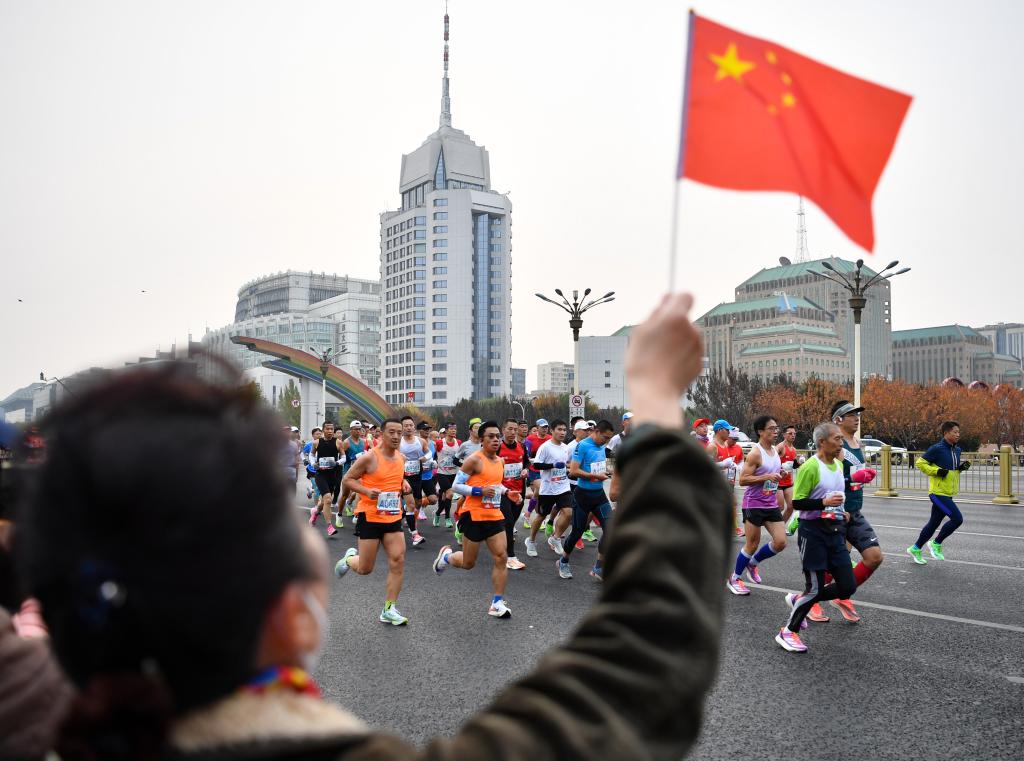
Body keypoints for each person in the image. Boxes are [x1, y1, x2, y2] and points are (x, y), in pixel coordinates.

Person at [14, 292, 733, 760]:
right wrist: (658, 412)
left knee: (404, 557)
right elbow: (637, 674)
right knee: (384, 558)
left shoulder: (42, 721)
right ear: (292, 617)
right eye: (274, 510)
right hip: (408, 519)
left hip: (420, 520)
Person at [776, 422, 857, 653]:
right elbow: (798, 503)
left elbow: (836, 496)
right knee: (814, 588)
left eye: (841, 438)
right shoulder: (811, 467)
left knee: (847, 586)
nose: (841, 442)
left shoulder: (840, 465)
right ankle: (788, 631)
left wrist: (843, 512)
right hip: (813, 533)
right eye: (838, 438)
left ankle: (800, 599)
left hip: (835, 531)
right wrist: (823, 503)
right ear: (823, 442)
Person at [432, 421, 519, 618]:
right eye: (491, 436)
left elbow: (494, 485)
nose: (496, 439)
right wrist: (478, 491)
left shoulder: (500, 461)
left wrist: (507, 492)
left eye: (498, 436)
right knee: (468, 563)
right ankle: (446, 557)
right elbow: (456, 486)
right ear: (481, 440)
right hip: (473, 515)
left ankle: (497, 603)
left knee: (501, 557)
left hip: (494, 514)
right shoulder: (474, 460)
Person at [336, 419, 413, 625]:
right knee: (365, 568)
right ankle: (348, 560)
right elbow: (348, 479)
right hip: (369, 516)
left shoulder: (401, 458)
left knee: (398, 560)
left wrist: (403, 483)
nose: (396, 436)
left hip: (393, 516)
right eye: (392, 432)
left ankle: (389, 609)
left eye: (399, 433)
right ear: (382, 434)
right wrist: (366, 491)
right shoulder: (369, 458)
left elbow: (396, 478)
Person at [820, 401, 881, 624]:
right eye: (851, 415)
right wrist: (852, 479)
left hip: (854, 508)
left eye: (857, 415)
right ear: (838, 420)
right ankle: (813, 599)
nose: (856, 418)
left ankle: (839, 595)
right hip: (836, 511)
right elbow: (825, 480)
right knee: (835, 561)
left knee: (854, 559)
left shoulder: (857, 443)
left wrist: (864, 474)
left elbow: (855, 473)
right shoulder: (835, 446)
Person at [727, 415, 787, 595]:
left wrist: (780, 473)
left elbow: (772, 472)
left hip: (770, 503)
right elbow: (744, 480)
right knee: (752, 544)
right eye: (771, 428)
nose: (775, 431)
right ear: (760, 431)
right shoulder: (755, 453)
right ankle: (735, 578)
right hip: (753, 503)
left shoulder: (775, 451)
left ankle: (753, 564)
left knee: (781, 542)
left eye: (776, 428)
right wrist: (766, 477)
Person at [908, 420, 969, 564]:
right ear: (946, 433)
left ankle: (915, 548)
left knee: (933, 524)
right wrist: (936, 471)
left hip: (948, 492)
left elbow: (950, 471)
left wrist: (960, 468)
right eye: (955, 432)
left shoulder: (957, 450)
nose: (958, 434)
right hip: (937, 493)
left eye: (958, 432)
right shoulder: (937, 448)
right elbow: (920, 463)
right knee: (957, 519)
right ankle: (936, 543)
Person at [562, 420, 616, 580]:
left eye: (608, 439)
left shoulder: (601, 446)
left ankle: (598, 567)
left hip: (599, 495)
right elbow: (573, 471)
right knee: (577, 532)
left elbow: (596, 466)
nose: (606, 441)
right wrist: (594, 476)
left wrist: (606, 471)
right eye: (605, 437)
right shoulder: (583, 445)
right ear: (597, 431)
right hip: (582, 495)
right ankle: (564, 560)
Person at [526, 419, 573, 559]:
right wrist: (553, 465)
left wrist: (568, 468)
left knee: (569, 513)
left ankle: (556, 538)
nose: (562, 432)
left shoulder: (566, 447)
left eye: (564, 430)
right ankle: (531, 541)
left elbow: (567, 464)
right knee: (541, 515)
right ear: (552, 431)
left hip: (563, 486)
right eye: (559, 429)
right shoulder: (545, 447)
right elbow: (537, 465)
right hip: (548, 488)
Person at [496, 419, 531, 570]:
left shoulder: (522, 447)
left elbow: (527, 463)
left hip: (519, 490)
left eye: (515, 430)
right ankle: (510, 556)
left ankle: (497, 536)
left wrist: (526, 470)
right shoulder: (497, 447)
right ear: (503, 430)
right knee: (509, 522)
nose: (512, 432)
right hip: (503, 491)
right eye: (509, 429)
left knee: (508, 522)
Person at [398, 416, 429, 547]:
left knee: (417, 502)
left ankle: (403, 514)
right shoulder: (398, 442)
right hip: (403, 476)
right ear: (402, 427)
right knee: (411, 504)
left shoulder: (420, 441)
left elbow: (428, 453)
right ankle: (414, 534)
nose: (409, 427)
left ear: (414, 427)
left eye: (411, 425)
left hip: (417, 474)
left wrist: (424, 458)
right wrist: (400, 457)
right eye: (406, 425)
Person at [309, 421, 344, 537]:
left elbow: (343, 457)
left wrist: (337, 462)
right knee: (328, 499)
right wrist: (314, 463)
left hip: (332, 475)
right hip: (320, 474)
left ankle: (315, 511)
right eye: (327, 429)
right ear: (323, 430)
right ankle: (329, 526)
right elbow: (311, 455)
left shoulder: (338, 442)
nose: (330, 431)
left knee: (323, 502)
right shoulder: (316, 442)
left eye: (331, 429)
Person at [338, 420, 368, 524]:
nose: (358, 431)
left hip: (360, 472)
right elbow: (341, 458)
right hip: (348, 472)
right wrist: (354, 457)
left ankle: (357, 515)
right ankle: (339, 515)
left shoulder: (363, 442)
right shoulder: (346, 442)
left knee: (360, 493)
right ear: (351, 430)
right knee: (345, 495)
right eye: (356, 429)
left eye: (360, 429)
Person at [434, 423, 460, 528]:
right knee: (449, 494)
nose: (454, 431)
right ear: (446, 431)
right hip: (442, 473)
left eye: (455, 429)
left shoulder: (458, 442)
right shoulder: (440, 443)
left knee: (445, 496)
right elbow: (433, 454)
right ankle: (448, 518)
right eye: (451, 429)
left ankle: (437, 513)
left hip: (454, 473)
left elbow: (459, 458)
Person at [776, 424, 799, 532]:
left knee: (790, 506)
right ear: (784, 435)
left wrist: (799, 463)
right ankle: (771, 524)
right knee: (780, 507)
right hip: (778, 482)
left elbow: (793, 465)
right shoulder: (780, 447)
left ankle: (780, 527)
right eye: (790, 433)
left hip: (788, 481)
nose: (793, 435)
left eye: (794, 433)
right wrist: (780, 468)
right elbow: (771, 459)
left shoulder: (793, 449)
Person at [416, 422, 439, 522]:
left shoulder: (432, 444)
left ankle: (421, 509)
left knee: (433, 500)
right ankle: (409, 514)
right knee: (414, 502)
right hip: (416, 476)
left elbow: (435, 457)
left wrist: (434, 463)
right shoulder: (415, 443)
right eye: (425, 429)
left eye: (428, 429)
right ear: (419, 431)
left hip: (428, 476)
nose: (427, 431)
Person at [301, 427, 322, 502]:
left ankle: (310, 490)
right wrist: (304, 460)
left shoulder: (324, 444)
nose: (319, 435)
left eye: (320, 434)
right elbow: (302, 453)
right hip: (311, 469)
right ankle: (317, 507)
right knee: (316, 486)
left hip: (321, 469)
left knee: (318, 486)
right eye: (317, 434)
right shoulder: (309, 445)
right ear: (313, 435)